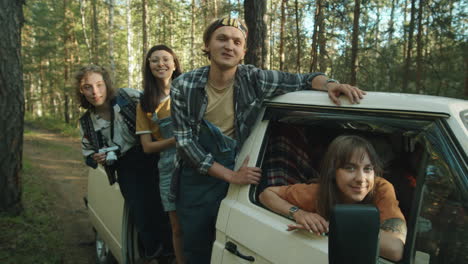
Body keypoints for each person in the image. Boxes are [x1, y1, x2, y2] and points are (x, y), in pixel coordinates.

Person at [170, 17, 366, 263]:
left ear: (243, 52)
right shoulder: (183, 86)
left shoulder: (253, 78)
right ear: (207, 45)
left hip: (235, 169)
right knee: (196, 247)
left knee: (226, 244)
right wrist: (232, 176)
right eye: (221, 38)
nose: (229, 46)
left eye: (236, 41)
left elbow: (305, 79)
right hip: (196, 178)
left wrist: (332, 85)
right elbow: (186, 144)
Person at [74, 65, 173, 263]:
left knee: (167, 208)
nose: (95, 92)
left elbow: (155, 107)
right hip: (126, 168)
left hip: (153, 156)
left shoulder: (127, 97)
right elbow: (88, 156)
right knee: (142, 216)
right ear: (81, 91)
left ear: (107, 84)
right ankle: (155, 255)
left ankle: (174, 253)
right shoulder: (86, 123)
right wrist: (97, 157)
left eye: (99, 85)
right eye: (88, 87)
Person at [259, 135, 407, 262]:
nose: (361, 179)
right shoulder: (318, 192)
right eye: (350, 168)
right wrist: (299, 213)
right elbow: (267, 194)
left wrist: (333, 227)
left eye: (368, 169)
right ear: (333, 172)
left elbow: (395, 249)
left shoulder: (381, 188)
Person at [136, 45, 185, 264]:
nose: (160, 64)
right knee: (177, 226)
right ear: (149, 67)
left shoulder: (188, 90)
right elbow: (147, 146)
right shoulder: (145, 103)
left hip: (196, 163)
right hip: (167, 167)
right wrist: (177, 140)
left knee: (200, 220)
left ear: (175, 64)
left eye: (166, 59)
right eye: (154, 60)